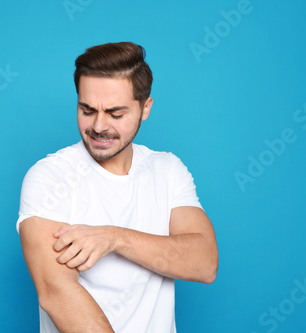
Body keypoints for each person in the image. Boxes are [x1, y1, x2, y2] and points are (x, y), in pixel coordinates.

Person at [16, 41, 218, 333]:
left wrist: (114, 238)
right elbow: (56, 293)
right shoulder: (49, 177)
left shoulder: (168, 170)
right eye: (87, 110)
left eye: (115, 113)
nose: (99, 126)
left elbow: (204, 263)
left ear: (145, 108)